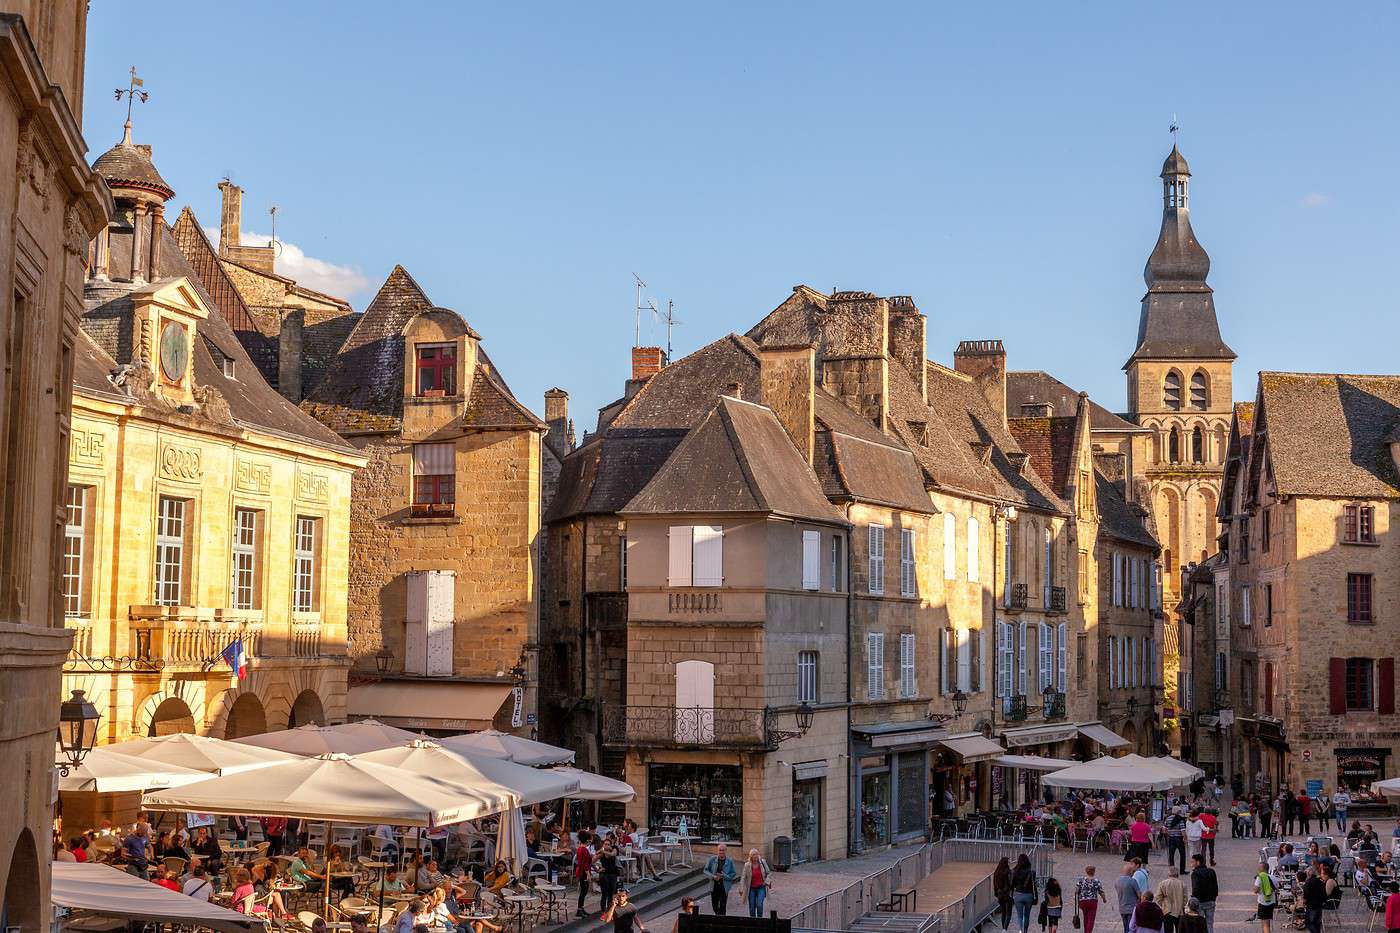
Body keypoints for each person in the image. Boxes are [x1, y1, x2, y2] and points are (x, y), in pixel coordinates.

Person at [704, 844, 738, 917]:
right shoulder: (712, 859)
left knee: (723, 905)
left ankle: (722, 921)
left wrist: (724, 876)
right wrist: (713, 876)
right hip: (714, 885)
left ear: (726, 851)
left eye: (723, 850)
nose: (721, 852)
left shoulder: (729, 861)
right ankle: (718, 917)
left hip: (724, 886)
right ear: (717, 851)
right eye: (720, 850)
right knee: (714, 905)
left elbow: (733, 873)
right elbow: (706, 870)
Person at [740, 847, 772, 919]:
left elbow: (769, 873)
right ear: (750, 856)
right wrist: (741, 888)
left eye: (756, 854)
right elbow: (743, 877)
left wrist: (766, 882)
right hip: (751, 888)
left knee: (759, 904)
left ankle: (760, 920)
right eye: (753, 855)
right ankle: (753, 921)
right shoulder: (747, 865)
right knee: (752, 907)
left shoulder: (762, 862)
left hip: (761, 887)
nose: (755, 856)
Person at [1188, 854, 1217, 933]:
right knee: (1209, 924)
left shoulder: (1195, 873)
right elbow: (1215, 886)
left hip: (1200, 902)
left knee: (1199, 925)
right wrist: (1214, 898)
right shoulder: (1211, 871)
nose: (1191, 864)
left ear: (1198, 862)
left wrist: (1192, 900)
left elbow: (1195, 888)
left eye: (1192, 862)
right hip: (1211, 901)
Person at [1012, 853, 1038, 933]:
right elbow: (1034, 885)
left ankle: (1020, 929)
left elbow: (1012, 884)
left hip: (1018, 894)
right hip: (1028, 895)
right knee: (1027, 915)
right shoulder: (1032, 872)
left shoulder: (1015, 871)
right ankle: (1025, 930)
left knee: (1019, 915)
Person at [1156, 866, 1185, 933]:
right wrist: (1181, 905)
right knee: (1179, 930)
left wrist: (1163, 905)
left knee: (1168, 930)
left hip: (1167, 910)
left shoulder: (1163, 883)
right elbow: (1185, 898)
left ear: (1169, 874)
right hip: (1179, 911)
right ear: (1177, 874)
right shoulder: (1182, 884)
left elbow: (1158, 897)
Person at [1077, 865, 1105, 933]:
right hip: (1092, 901)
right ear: (1094, 872)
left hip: (1083, 901)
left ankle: (1085, 931)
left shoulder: (1081, 880)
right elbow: (1101, 891)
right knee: (1091, 919)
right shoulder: (1096, 881)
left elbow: (1077, 890)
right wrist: (1104, 899)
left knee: (1085, 917)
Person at [597, 840, 622, 918]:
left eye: (608, 844)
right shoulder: (601, 854)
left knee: (611, 894)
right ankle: (604, 912)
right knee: (604, 894)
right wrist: (598, 869)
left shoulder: (613, 850)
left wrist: (603, 851)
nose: (607, 846)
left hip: (613, 875)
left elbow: (612, 854)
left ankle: (609, 911)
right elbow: (593, 860)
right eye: (605, 844)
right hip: (604, 875)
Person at [574, 832, 595, 918]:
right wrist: (588, 874)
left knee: (584, 891)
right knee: (584, 891)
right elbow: (585, 864)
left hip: (581, 871)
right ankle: (579, 909)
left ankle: (581, 908)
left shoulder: (580, 849)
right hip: (584, 872)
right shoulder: (584, 850)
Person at [1116, 863, 1141, 933]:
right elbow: (1139, 895)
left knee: (1125, 928)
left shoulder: (1117, 881)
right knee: (1131, 928)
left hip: (1122, 908)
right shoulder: (1133, 881)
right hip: (1131, 909)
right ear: (1131, 872)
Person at [1252, 861, 1276, 933]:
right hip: (1272, 902)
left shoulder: (1260, 878)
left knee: (1265, 924)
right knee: (1267, 922)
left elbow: (1255, 890)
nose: (1258, 869)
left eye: (1259, 868)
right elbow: (1277, 887)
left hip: (1263, 902)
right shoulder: (1273, 877)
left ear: (1263, 869)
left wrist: (1255, 888)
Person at [1301, 867, 1326, 933]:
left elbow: (1306, 894)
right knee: (1317, 924)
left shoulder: (1308, 883)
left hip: (1311, 905)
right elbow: (1324, 893)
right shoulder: (1321, 882)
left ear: (1308, 874)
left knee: (1310, 923)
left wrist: (1304, 902)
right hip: (1319, 905)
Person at [1164, 807, 1187, 874]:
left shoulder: (1168, 818)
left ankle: (1172, 870)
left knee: (1171, 855)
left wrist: (1169, 833)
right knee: (1182, 854)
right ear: (1177, 811)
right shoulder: (1180, 819)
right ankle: (1182, 870)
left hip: (1171, 838)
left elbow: (1165, 829)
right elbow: (1183, 830)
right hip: (1179, 839)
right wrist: (1185, 838)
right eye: (1179, 811)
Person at [996, 857, 1015, 931]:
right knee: (1008, 913)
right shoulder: (1008, 872)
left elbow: (995, 884)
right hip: (1007, 894)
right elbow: (1010, 883)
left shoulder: (997, 872)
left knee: (1003, 912)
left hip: (1000, 894)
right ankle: (1005, 929)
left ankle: (1003, 928)